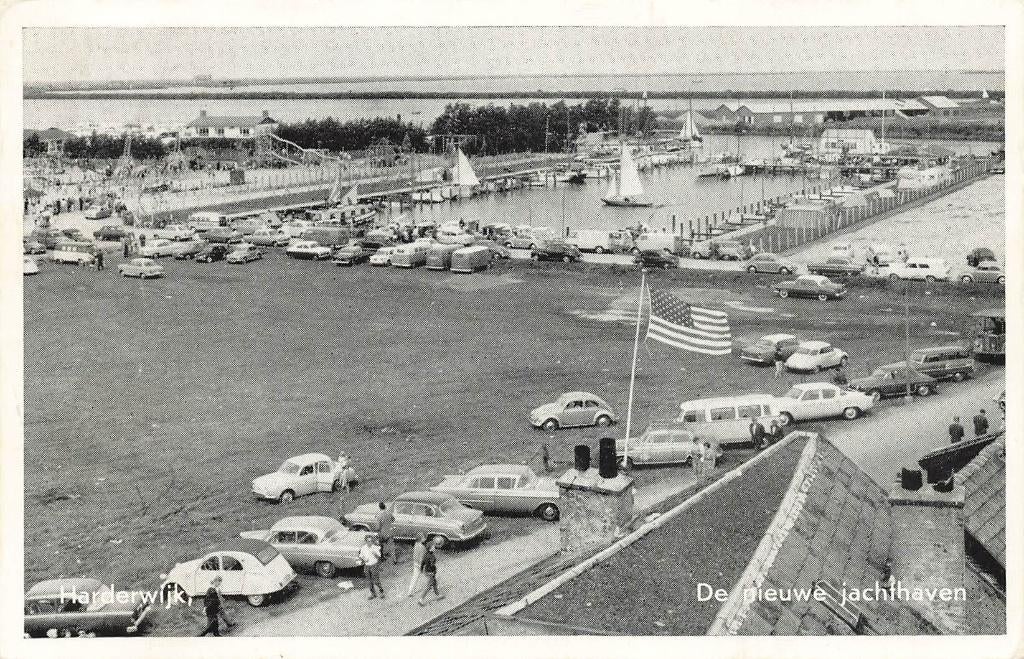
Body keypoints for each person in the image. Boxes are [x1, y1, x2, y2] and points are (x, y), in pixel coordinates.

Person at [417, 538, 445, 606]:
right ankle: (421, 599)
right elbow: (432, 565)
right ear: (430, 548)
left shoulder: (425, 554)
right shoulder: (432, 556)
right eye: (433, 547)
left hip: (426, 571)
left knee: (434, 583)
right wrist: (434, 568)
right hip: (431, 573)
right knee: (428, 586)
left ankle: (438, 595)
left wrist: (421, 569)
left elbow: (422, 563)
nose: (434, 548)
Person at [406, 533, 428, 597]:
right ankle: (431, 586)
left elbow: (415, 555)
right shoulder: (422, 547)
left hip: (416, 563)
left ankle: (410, 592)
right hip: (421, 565)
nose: (425, 539)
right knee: (429, 575)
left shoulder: (416, 544)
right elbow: (422, 558)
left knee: (414, 578)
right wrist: (422, 566)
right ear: (421, 539)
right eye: (424, 538)